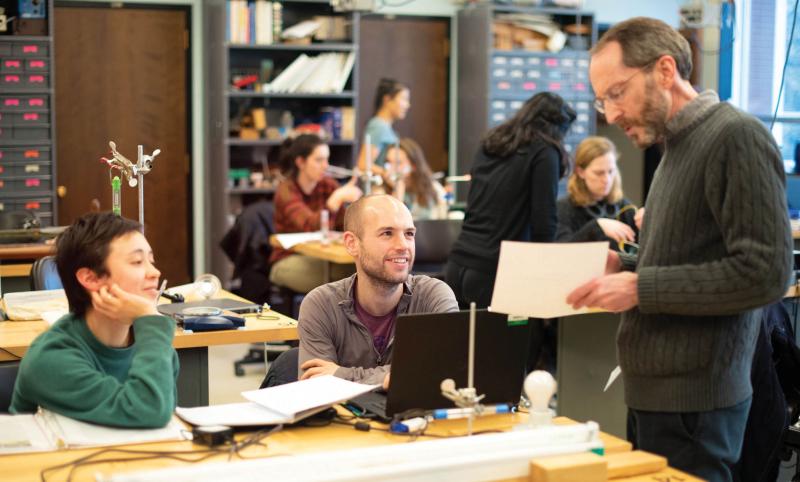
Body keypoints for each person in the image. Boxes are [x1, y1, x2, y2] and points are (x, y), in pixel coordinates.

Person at [566, 17, 791, 482]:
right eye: (602, 98)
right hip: (657, 395)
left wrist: (639, 287)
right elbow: (693, 255)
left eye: (617, 93)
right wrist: (625, 263)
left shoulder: (735, 138)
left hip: (696, 404)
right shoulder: (676, 148)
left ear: (665, 71)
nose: (609, 114)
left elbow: (765, 272)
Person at [10, 212, 179, 428]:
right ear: (90, 278)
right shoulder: (51, 357)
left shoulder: (149, 342)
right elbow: (149, 411)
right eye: (137, 262)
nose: (154, 272)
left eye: (151, 260)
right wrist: (149, 317)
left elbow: (165, 420)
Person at [297, 194, 459, 388]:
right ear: (352, 243)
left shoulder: (434, 296)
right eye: (387, 233)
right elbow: (315, 387)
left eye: (409, 234)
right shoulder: (320, 305)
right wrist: (397, 377)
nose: (403, 246)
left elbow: (446, 371)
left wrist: (341, 374)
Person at [445, 92, 576, 308]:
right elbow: (544, 222)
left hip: (457, 264)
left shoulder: (491, 142)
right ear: (557, 127)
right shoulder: (545, 151)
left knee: (461, 341)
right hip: (495, 271)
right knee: (508, 342)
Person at [270, 134, 363, 294]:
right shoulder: (286, 190)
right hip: (289, 258)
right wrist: (335, 200)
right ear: (300, 162)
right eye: (319, 160)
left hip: (323, 257)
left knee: (358, 270)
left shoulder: (328, 185)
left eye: (327, 159)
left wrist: (354, 207)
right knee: (343, 280)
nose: (325, 166)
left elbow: (343, 224)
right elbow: (308, 225)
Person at [556, 136, 638, 250]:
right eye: (599, 173)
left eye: (611, 171)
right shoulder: (563, 209)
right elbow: (560, 252)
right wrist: (597, 226)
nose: (607, 179)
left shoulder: (626, 208)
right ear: (581, 172)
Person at [385, 137, 448, 220]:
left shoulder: (434, 188)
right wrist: (398, 189)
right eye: (388, 162)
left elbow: (443, 219)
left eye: (398, 163)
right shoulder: (380, 191)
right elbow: (392, 221)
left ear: (413, 165)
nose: (391, 168)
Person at [357, 78, 411, 176]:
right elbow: (363, 164)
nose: (407, 105)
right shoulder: (378, 126)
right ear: (387, 99)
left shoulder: (385, 127)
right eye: (404, 99)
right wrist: (388, 175)